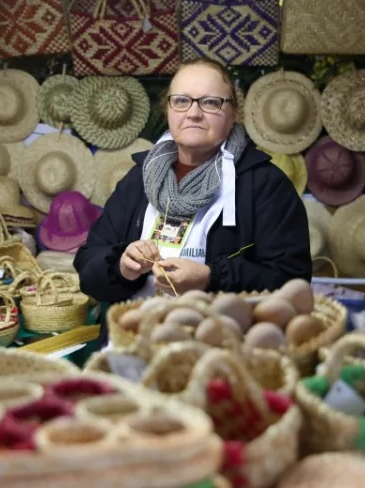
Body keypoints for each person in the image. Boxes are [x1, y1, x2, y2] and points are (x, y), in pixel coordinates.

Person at [74, 58, 312, 347]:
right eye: (181, 101)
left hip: (222, 354)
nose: (194, 113)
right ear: (168, 109)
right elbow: (88, 267)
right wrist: (121, 266)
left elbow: (292, 284)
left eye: (210, 103)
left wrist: (212, 278)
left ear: (232, 113)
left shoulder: (264, 186)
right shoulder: (139, 179)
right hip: (131, 349)